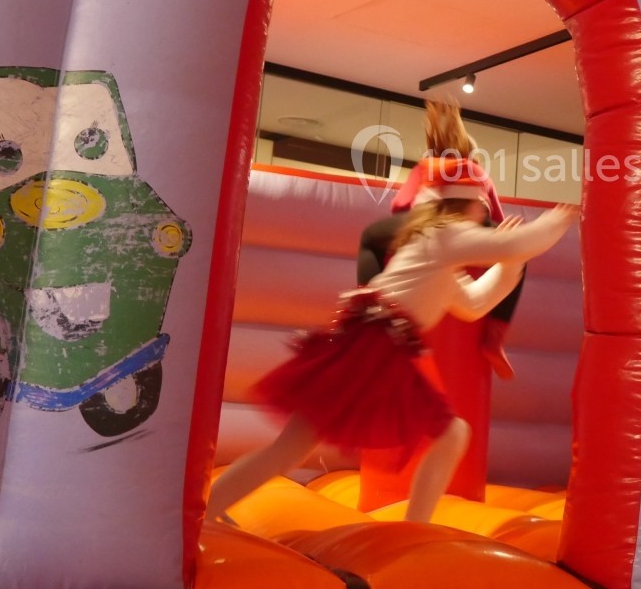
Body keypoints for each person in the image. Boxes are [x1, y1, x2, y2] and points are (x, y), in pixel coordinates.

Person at [207, 157, 579, 524]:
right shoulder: (443, 235)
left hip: (369, 343)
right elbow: (519, 243)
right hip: (375, 346)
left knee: (290, 449)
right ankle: (415, 525)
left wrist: (511, 263)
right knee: (448, 434)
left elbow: (474, 305)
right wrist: (557, 219)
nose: (483, 219)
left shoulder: (438, 259)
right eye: (480, 210)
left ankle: (207, 509)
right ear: (462, 207)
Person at [357, 99, 522, 379]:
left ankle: (368, 299)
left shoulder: (426, 166)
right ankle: (496, 332)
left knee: (370, 238)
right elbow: (495, 213)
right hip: (465, 231)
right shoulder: (476, 172)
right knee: (516, 255)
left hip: (426, 227)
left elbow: (399, 206)